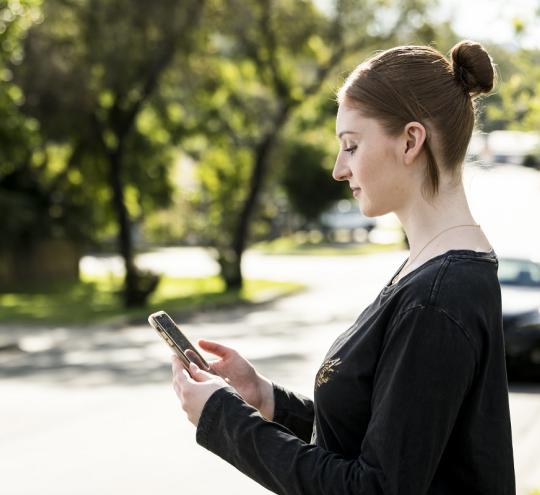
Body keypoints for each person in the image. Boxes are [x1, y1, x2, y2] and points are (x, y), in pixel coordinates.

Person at [171, 40, 516, 494]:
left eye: (351, 146)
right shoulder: (433, 272)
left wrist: (225, 419)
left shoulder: (437, 299)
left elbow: (373, 488)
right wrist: (266, 400)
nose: (338, 169)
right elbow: (381, 441)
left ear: (411, 140)